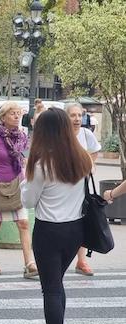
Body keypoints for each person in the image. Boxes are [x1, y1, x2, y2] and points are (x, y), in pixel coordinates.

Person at [20, 108, 93, 324]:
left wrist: (24, 181)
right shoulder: (82, 159)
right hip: (76, 231)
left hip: (49, 231)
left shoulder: (42, 164)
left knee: (50, 288)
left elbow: (28, 200)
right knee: (57, 285)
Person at [0, 101, 37, 278]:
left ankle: (29, 263)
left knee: (23, 223)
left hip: (18, 183)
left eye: (18, 113)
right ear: (3, 117)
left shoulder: (22, 136)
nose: (16, 116)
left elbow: (26, 159)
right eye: (12, 113)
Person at [66, 102, 101, 276]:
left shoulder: (86, 134)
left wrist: (90, 165)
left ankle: (81, 261)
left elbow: (94, 152)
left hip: (82, 187)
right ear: (66, 117)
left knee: (82, 222)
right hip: (63, 188)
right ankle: (62, 258)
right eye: (73, 115)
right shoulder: (61, 136)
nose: (77, 119)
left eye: (79, 115)